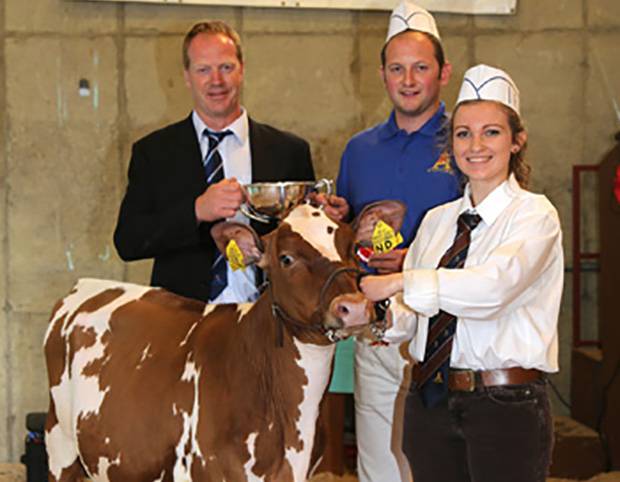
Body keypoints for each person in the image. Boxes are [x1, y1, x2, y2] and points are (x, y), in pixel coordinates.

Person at [361, 64, 563, 482]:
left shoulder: (535, 215)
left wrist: (399, 280)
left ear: (517, 141)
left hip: (506, 405)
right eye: (463, 133)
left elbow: (492, 289)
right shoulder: (437, 222)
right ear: (450, 143)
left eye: (491, 132)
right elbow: (415, 314)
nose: (476, 145)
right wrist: (380, 315)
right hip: (430, 400)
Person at [319, 2, 460, 481]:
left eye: (420, 67)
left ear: (443, 72)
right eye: (397, 68)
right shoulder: (359, 149)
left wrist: (415, 260)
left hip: (448, 333)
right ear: (381, 74)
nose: (408, 79)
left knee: (443, 464)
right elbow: (350, 238)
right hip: (377, 327)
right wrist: (340, 219)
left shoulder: (465, 144)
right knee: (378, 462)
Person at [114, 20, 314, 303]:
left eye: (226, 67)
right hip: (183, 323)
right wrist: (196, 210)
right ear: (187, 76)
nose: (216, 81)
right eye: (203, 70)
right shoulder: (154, 152)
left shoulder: (288, 151)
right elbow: (128, 242)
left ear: (242, 70)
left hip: (268, 323)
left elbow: (307, 241)